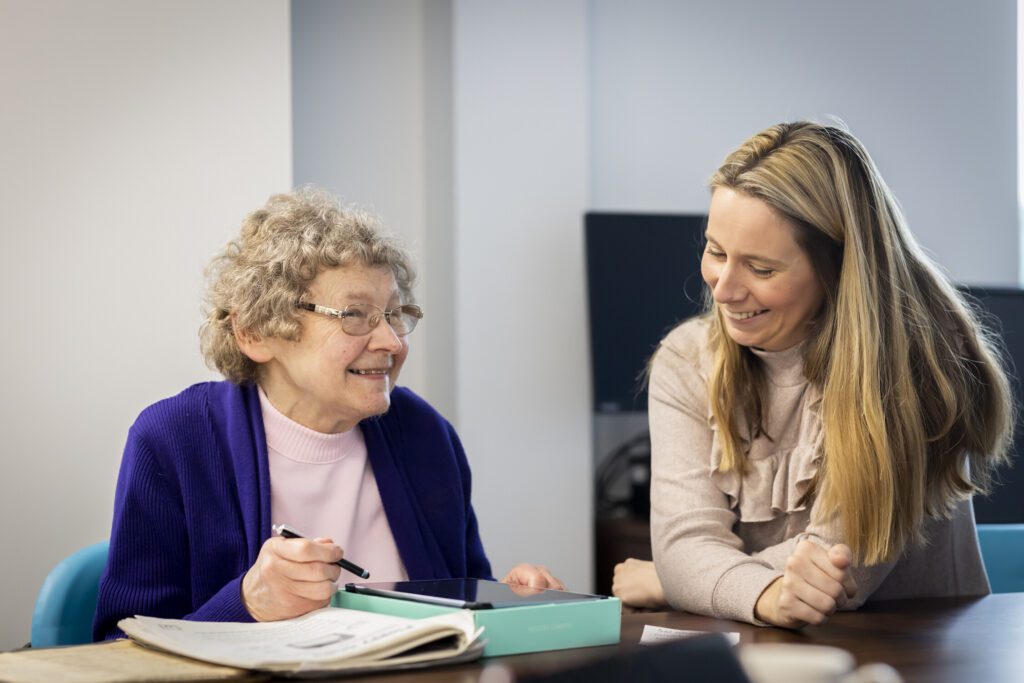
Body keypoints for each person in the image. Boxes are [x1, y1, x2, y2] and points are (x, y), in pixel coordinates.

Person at [94, 187, 562, 640]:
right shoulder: (175, 440)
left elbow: (467, 609)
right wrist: (247, 603)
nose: (391, 342)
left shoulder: (424, 434)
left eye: (395, 315)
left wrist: (512, 604)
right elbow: (117, 650)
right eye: (355, 315)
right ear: (255, 332)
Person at [611, 122, 1013, 628]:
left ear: (838, 270)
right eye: (716, 252)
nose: (723, 289)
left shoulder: (913, 363)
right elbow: (685, 545)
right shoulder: (687, 359)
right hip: (782, 650)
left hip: (916, 653)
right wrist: (725, 584)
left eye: (761, 268)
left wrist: (680, 583)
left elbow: (838, 573)